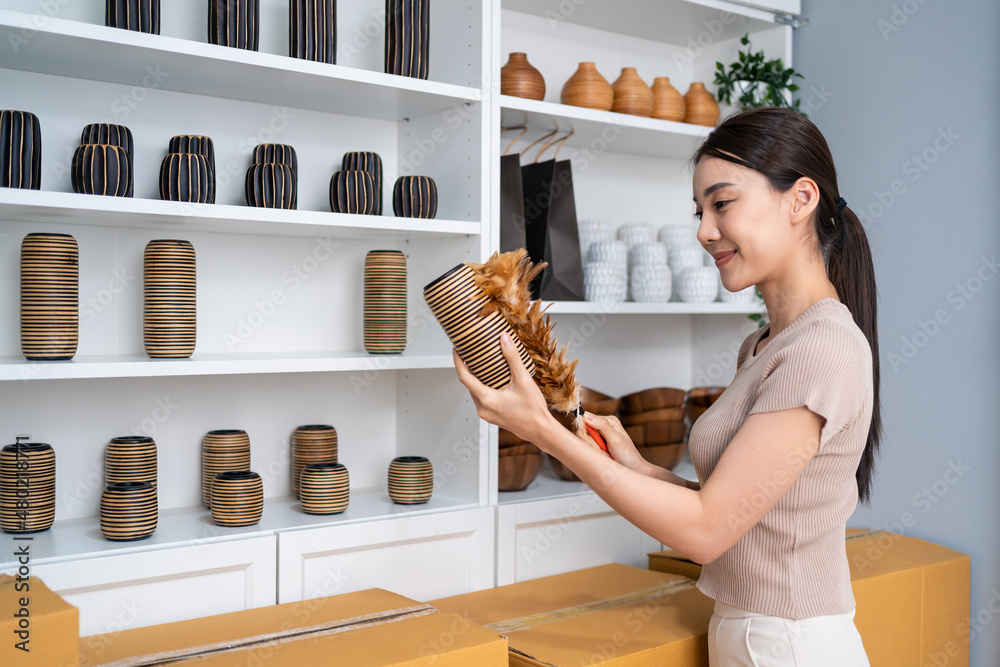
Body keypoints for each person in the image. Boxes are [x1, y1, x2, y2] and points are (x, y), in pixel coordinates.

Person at [453, 107, 880, 667]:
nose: (705, 230)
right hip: (755, 637)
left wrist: (543, 433)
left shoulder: (822, 349)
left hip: (790, 645)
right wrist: (632, 464)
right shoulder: (762, 345)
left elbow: (706, 535)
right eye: (700, 211)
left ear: (801, 200)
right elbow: (729, 512)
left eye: (722, 204)